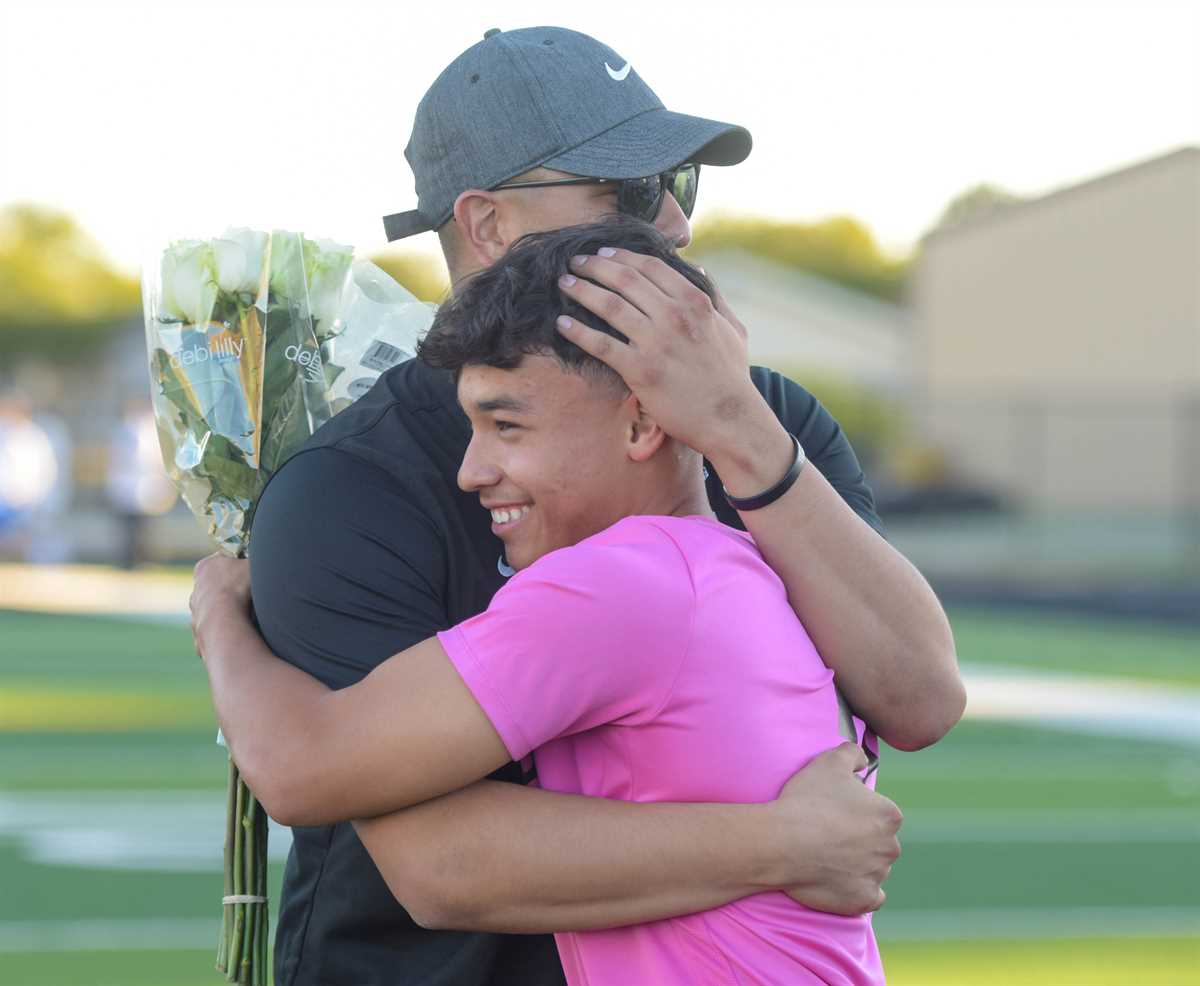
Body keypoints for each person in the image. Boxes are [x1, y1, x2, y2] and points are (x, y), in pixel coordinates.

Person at [240, 24, 963, 986]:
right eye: (629, 189)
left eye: (683, 182)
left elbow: (918, 697)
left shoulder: (765, 415)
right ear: (488, 225)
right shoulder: (346, 487)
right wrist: (786, 844)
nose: (675, 223)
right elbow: (443, 867)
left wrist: (738, 433)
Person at [193, 217, 895, 985]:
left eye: (506, 425)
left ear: (641, 422)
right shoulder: (751, 562)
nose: (471, 470)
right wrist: (781, 842)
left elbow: (301, 769)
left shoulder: (618, 586)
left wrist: (219, 615)